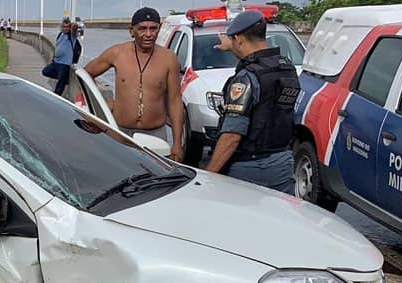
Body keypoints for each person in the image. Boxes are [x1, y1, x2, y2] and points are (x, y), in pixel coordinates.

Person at [204, 10, 301, 194]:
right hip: (282, 161)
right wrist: (232, 46)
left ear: (239, 38)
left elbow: (232, 136)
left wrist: (208, 175)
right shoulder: (286, 67)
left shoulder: (246, 78)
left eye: (233, 39)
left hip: (249, 167)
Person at [84, 7, 184, 161]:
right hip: (120, 131)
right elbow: (85, 74)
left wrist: (177, 143)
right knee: (117, 170)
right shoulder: (117, 53)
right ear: (131, 30)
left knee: (154, 174)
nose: (148, 34)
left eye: (153, 28)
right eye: (142, 29)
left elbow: (175, 101)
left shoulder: (169, 59)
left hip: (155, 134)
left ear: (159, 29)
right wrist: (99, 106)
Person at [50, 18, 80, 97]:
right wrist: (53, 58)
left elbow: (75, 27)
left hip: (65, 63)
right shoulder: (60, 34)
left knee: (60, 85)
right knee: (45, 71)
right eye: (63, 27)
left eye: (67, 27)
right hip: (56, 61)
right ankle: (65, 79)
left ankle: (56, 96)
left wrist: (72, 25)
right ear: (61, 27)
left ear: (69, 27)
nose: (65, 28)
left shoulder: (72, 35)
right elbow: (57, 46)